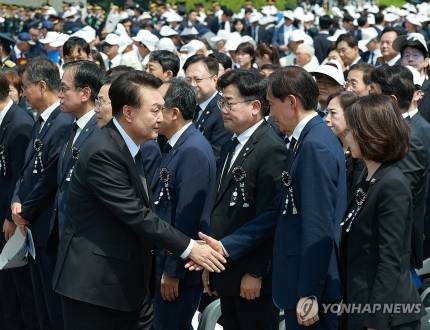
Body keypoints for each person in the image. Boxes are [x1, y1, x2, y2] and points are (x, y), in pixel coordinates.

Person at [52, 70, 226, 330]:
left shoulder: (132, 148)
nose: (160, 118)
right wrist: (190, 248)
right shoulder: (104, 151)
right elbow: (136, 214)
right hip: (95, 288)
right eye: (155, 110)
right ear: (129, 113)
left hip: (125, 284)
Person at [192, 66, 347, 330]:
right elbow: (279, 210)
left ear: (291, 102)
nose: (270, 112)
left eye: (272, 104)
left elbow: (317, 226)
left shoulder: (314, 145)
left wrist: (309, 292)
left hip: (308, 287)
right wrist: (226, 246)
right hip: (296, 280)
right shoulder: (305, 140)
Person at [204, 69, 285, 330]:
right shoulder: (232, 143)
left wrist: (256, 271)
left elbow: (270, 217)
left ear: (255, 106)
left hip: (250, 275)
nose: (223, 109)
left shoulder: (270, 148)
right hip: (226, 267)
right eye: (221, 102)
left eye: (229, 102)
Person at [341, 94, 424, 329]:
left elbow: (390, 259)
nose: (347, 135)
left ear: (371, 134)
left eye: (353, 129)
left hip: (386, 315)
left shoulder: (392, 184)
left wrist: (375, 321)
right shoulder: (366, 176)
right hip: (359, 304)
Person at [11, 57, 74, 330]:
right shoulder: (42, 120)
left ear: (41, 85)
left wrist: (25, 211)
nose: (23, 93)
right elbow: (26, 170)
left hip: (45, 223)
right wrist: (15, 198)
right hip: (31, 222)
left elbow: (48, 178)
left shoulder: (60, 123)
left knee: (52, 305)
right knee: (39, 304)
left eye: (26, 87)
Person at [152, 78, 217, 330]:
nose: (155, 115)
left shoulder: (192, 150)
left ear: (174, 113)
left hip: (177, 268)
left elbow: (187, 218)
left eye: (159, 109)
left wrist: (173, 270)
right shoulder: (176, 144)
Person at [370, 64, 429, 271]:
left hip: (393, 247)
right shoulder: (393, 131)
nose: (367, 101)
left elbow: (399, 199)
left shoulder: (409, 137)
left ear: (391, 101)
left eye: (373, 94)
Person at [49, 60, 102, 248]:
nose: (59, 95)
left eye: (64, 89)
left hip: (85, 240)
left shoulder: (99, 132)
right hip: (66, 233)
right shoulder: (72, 127)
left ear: (85, 93)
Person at [0, 71, 38, 330]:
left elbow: (20, 179)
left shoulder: (20, 124)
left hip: (13, 222)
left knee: (18, 289)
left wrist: (8, 217)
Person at [183, 55, 231, 164]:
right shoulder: (187, 105)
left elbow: (216, 155)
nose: (192, 85)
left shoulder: (223, 110)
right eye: (188, 80)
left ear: (214, 79)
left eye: (198, 79)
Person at [325, 91, 363, 199]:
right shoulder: (328, 146)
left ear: (350, 114)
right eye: (327, 113)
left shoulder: (361, 154)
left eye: (333, 113)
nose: (327, 119)